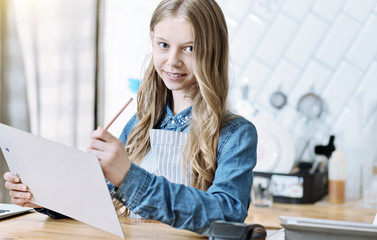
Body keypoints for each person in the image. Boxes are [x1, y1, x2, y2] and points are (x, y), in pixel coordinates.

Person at [3, 0, 257, 235]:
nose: (172, 61)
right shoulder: (138, 124)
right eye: (164, 45)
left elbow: (228, 215)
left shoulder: (236, 133)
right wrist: (43, 195)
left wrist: (128, 176)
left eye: (189, 49)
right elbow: (95, 199)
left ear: (213, 51)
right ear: (152, 40)